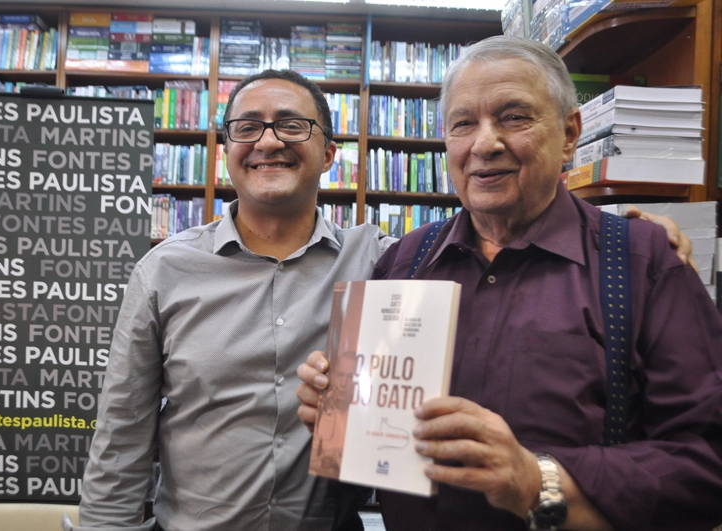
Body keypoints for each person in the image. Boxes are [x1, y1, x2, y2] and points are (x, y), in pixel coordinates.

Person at [65, 68, 695, 531]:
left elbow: (493, 225)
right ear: (225, 151)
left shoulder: (390, 262)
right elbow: (121, 436)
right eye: (246, 126)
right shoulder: (164, 270)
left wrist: (630, 235)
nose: (268, 141)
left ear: (331, 156)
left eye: (293, 124)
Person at [296, 36, 722, 531]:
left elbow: (708, 460)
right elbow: (370, 442)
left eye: (514, 117)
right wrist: (340, 409)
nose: (484, 143)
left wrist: (535, 479)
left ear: (569, 134)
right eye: (463, 124)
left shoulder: (642, 260)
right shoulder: (405, 259)